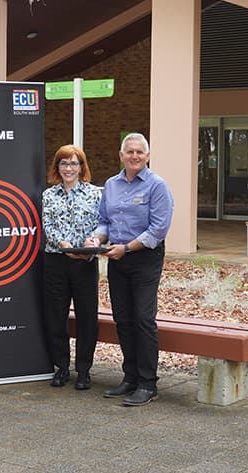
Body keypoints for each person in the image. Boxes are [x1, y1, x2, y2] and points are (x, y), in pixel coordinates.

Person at [86, 133, 173, 406]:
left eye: (140, 152)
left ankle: (148, 384)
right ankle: (130, 378)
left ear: (147, 156)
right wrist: (97, 239)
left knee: (143, 319)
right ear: (121, 155)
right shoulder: (111, 185)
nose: (135, 156)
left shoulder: (157, 186)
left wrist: (128, 248)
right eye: (130, 152)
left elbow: (158, 229)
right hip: (117, 258)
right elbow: (104, 221)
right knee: (122, 319)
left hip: (145, 257)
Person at [41, 145, 102, 390]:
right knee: (56, 315)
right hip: (56, 260)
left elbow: (101, 223)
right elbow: (48, 225)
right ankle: (61, 367)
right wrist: (63, 244)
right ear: (57, 167)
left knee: (87, 316)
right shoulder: (48, 195)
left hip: (85, 262)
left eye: (74, 163)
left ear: (81, 167)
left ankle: (84, 370)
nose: (69, 168)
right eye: (64, 163)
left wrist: (93, 242)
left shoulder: (95, 193)